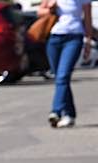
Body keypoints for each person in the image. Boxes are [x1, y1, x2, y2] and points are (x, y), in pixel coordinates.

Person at [40, 0, 93, 128]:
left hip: (74, 37)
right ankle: (69, 114)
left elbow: (88, 18)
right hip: (54, 38)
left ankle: (56, 111)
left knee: (63, 76)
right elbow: (40, 12)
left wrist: (88, 42)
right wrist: (50, 8)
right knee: (60, 79)